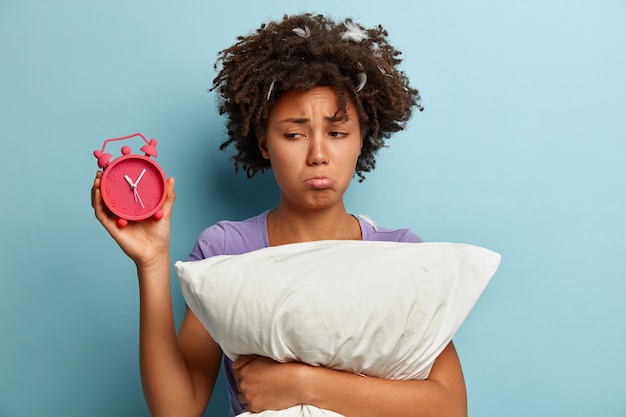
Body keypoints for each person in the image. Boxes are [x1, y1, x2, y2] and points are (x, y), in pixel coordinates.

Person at [92, 13, 467, 417]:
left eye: (337, 133)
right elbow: (177, 409)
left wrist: (302, 383)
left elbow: (448, 407)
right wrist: (151, 263)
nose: (318, 154)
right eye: (294, 134)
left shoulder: (402, 254)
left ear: (363, 139)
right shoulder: (225, 249)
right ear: (264, 143)